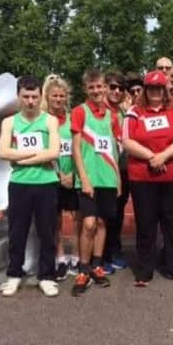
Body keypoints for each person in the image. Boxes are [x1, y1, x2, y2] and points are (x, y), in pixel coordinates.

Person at [123, 70, 173, 287]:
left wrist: (164, 155)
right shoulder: (135, 111)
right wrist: (151, 156)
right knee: (146, 223)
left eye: (159, 88)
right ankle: (144, 270)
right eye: (151, 88)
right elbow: (126, 140)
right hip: (143, 178)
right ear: (146, 89)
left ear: (165, 91)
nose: (155, 92)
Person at [0, 75, 61, 297]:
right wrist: (37, 155)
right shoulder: (9, 122)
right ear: (18, 96)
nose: (31, 101)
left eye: (35, 96)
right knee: (17, 232)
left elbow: (54, 152)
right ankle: (14, 275)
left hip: (46, 183)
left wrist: (21, 159)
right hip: (19, 184)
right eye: (26, 96)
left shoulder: (50, 121)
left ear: (40, 96)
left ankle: (47, 276)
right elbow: (3, 152)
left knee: (47, 232)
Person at [70, 68, 121, 296]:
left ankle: (98, 266)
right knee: (88, 224)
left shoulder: (112, 115)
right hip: (89, 179)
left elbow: (115, 149)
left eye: (100, 86)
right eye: (92, 87)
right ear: (86, 89)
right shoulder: (80, 112)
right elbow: (76, 149)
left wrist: (118, 178)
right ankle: (83, 268)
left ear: (105, 87)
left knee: (101, 224)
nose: (97, 91)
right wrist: (84, 178)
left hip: (108, 178)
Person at [41, 74, 80, 280]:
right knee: (54, 220)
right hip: (51, 176)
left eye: (61, 96)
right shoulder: (44, 120)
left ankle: (75, 255)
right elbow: (44, 149)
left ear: (67, 97)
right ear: (47, 96)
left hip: (72, 176)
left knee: (75, 218)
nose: (58, 99)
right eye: (54, 96)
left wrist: (71, 173)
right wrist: (58, 173)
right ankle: (60, 258)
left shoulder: (73, 118)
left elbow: (79, 148)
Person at [104, 70, 129, 272]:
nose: (117, 91)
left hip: (122, 170)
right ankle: (102, 255)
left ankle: (114, 249)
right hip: (104, 171)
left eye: (121, 88)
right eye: (113, 87)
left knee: (118, 214)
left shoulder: (122, 112)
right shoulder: (98, 111)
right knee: (105, 215)